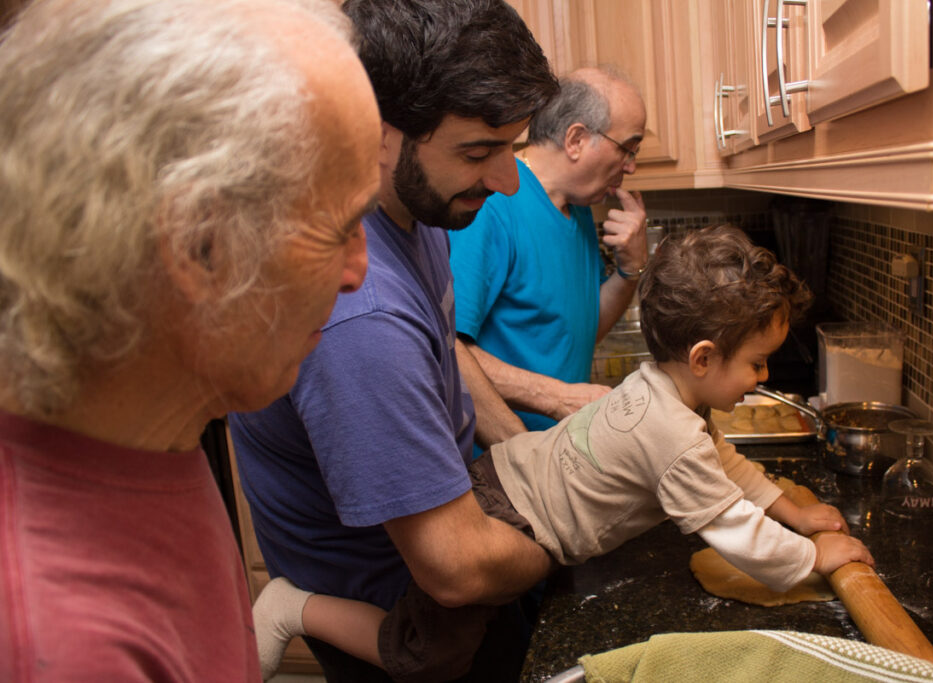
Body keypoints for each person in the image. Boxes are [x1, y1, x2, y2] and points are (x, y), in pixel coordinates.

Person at [253, 224, 876, 681]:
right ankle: (294, 608)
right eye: (756, 362)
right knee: (426, 656)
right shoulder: (675, 438)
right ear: (703, 358)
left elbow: (725, 463)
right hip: (507, 519)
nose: (762, 376)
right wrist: (809, 557)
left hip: (499, 480)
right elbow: (735, 533)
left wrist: (792, 512)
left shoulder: (658, 388)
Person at [0, 0, 381, 680]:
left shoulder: (157, 427)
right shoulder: (61, 642)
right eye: (338, 228)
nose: (361, 271)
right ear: (197, 245)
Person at [228, 1, 561, 681]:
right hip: (394, 605)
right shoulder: (358, 310)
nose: (506, 182)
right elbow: (457, 568)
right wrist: (569, 534)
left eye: (513, 147)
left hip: (438, 542)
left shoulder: (419, 204)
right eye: (479, 152)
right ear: (378, 132)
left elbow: (446, 354)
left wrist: (528, 456)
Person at [449, 65, 651, 438]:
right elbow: (447, 350)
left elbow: (575, 332)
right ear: (576, 139)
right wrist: (557, 398)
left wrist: (629, 271)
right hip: (495, 468)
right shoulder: (492, 205)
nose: (632, 166)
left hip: (554, 459)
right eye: (627, 148)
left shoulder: (578, 209)